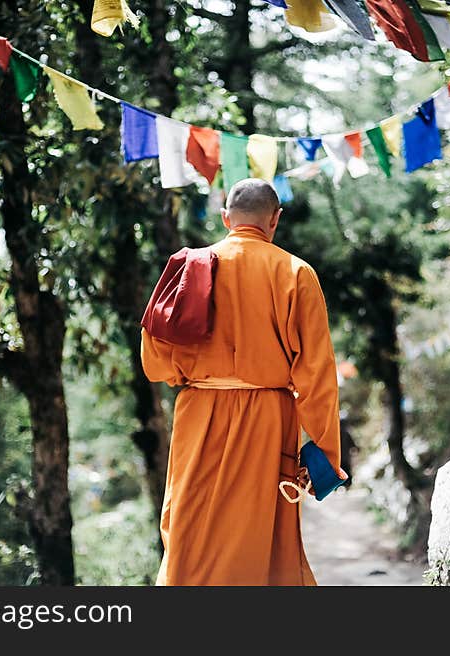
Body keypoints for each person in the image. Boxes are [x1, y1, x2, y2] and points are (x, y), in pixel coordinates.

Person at [141, 178, 345, 586]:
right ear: (275, 220)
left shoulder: (188, 268)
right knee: (263, 538)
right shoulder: (295, 272)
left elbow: (155, 362)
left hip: (199, 414)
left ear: (225, 218)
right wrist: (325, 455)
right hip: (267, 419)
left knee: (191, 529)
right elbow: (317, 374)